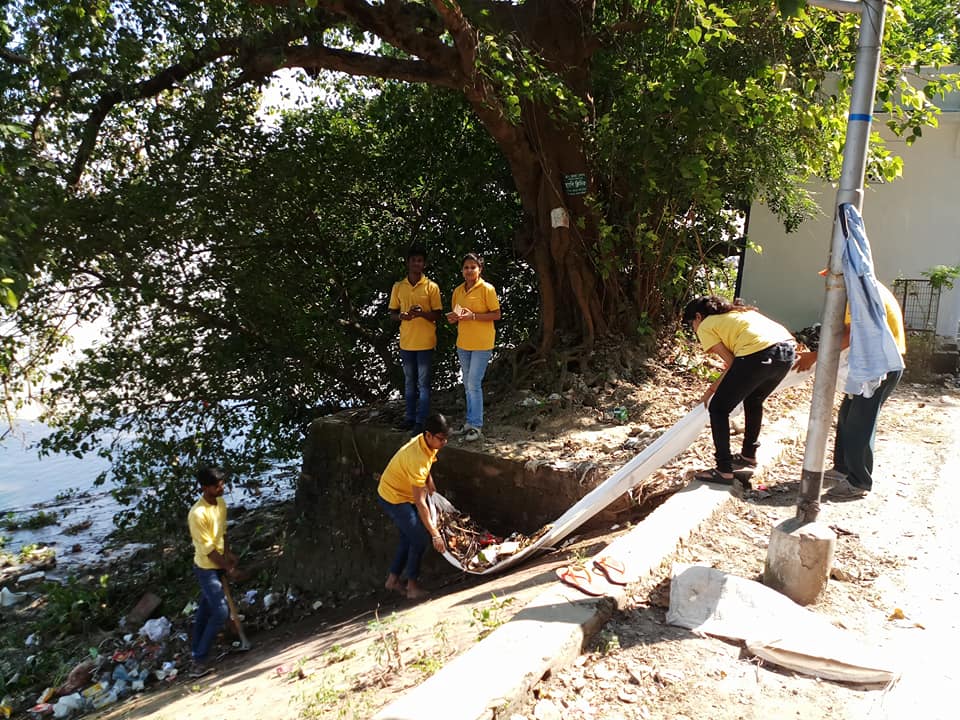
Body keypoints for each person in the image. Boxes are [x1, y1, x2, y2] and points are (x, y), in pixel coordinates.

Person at [794, 281, 906, 498]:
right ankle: (843, 468)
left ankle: (859, 481)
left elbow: (850, 333)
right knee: (847, 416)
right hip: (872, 363)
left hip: (880, 365)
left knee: (859, 423)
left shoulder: (859, 293)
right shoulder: (864, 286)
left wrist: (815, 357)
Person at [683, 296, 797, 484]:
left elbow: (731, 363)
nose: (694, 329)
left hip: (759, 354)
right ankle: (748, 455)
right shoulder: (740, 313)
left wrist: (709, 393)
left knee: (718, 409)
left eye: (691, 324)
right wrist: (712, 390)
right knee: (753, 400)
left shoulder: (706, 325)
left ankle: (723, 469)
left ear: (698, 316)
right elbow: (736, 365)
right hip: (787, 353)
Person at [377, 413, 450, 600]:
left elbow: (428, 466)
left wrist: (432, 487)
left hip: (401, 492)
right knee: (420, 539)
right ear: (429, 435)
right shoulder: (416, 459)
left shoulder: (427, 443)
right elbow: (420, 503)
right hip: (394, 497)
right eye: (441, 439)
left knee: (408, 537)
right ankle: (412, 586)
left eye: (446, 438)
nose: (444, 443)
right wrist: (435, 534)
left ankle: (393, 580)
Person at [187, 466, 240, 678]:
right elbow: (208, 550)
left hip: (218, 562)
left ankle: (195, 651)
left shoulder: (221, 504)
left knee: (205, 611)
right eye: (217, 486)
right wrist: (228, 568)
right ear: (205, 488)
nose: (222, 488)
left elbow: (223, 533)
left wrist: (228, 554)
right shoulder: (197, 514)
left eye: (222, 484)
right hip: (206, 568)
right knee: (220, 612)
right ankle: (199, 661)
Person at [446, 253, 501, 442]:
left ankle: (476, 426)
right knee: (467, 384)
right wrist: (453, 318)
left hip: (482, 344)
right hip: (463, 343)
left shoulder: (487, 289)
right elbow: (457, 315)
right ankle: (469, 423)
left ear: (480, 269)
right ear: (462, 271)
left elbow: (496, 314)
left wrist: (474, 316)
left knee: (473, 383)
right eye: (466, 267)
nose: (469, 270)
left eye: (473, 267)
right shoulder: (458, 291)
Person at [388, 246, 443, 435]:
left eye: (420, 261)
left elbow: (437, 314)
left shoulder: (431, 287)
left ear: (424, 264)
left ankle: (421, 421)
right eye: (413, 260)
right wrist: (402, 316)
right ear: (408, 263)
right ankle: (410, 418)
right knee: (409, 383)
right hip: (406, 343)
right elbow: (392, 313)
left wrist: (422, 314)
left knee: (424, 385)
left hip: (425, 342)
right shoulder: (398, 286)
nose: (416, 264)